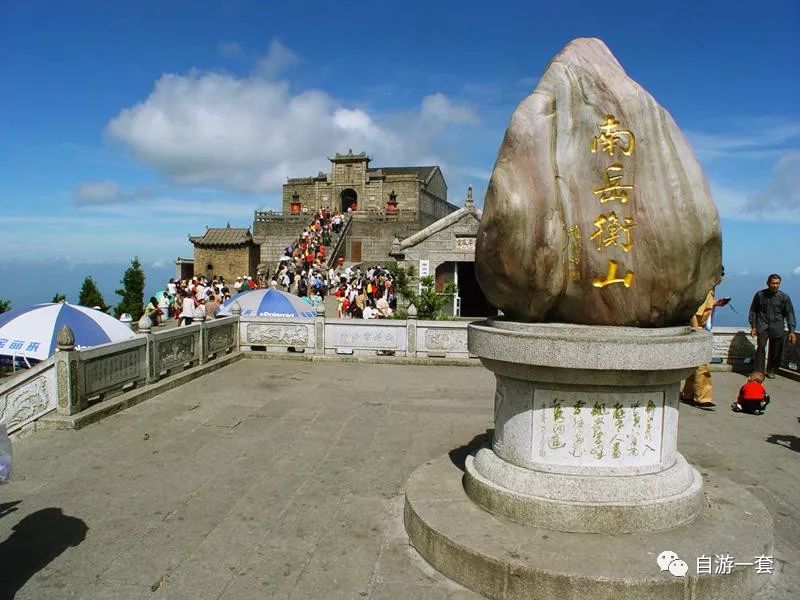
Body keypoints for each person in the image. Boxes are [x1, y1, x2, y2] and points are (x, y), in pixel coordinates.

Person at [681, 268, 726, 409]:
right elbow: (693, 312)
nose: (722, 278)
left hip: (698, 329)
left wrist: (716, 304)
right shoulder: (704, 290)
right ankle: (703, 398)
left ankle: (688, 393)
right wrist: (696, 331)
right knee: (702, 366)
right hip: (697, 330)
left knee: (694, 365)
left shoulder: (709, 290)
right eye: (720, 275)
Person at [748, 274, 796, 378]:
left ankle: (772, 370)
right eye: (773, 283)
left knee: (776, 349)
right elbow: (753, 311)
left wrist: (792, 331)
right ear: (768, 283)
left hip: (777, 325)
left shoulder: (784, 297)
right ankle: (758, 371)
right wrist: (753, 326)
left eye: (777, 283)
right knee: (761, 347)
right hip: (762, 324)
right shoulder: (760, 295)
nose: (775, 285)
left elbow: (789, 314)